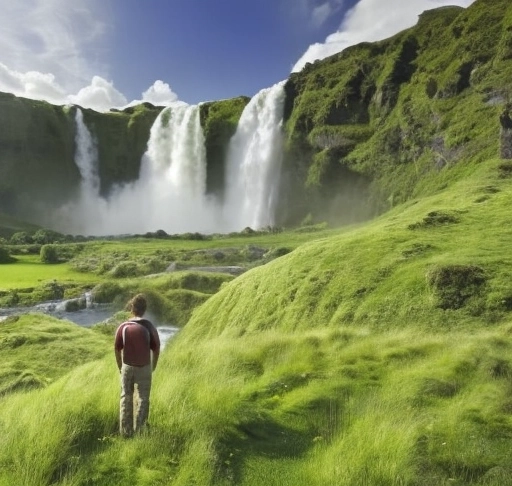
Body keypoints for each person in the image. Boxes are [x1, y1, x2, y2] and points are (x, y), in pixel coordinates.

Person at [114, 293, 160, 437]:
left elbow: (117, 348)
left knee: (125, 397)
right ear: (144, 309)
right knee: (143, 398)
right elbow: (156, 348)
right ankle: (140, 431)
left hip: (127, 366)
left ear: (132, 308)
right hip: (144, 366)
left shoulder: (123, 326)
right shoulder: (148, 326)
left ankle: (125, 432)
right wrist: (153, 366)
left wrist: (120, 366)